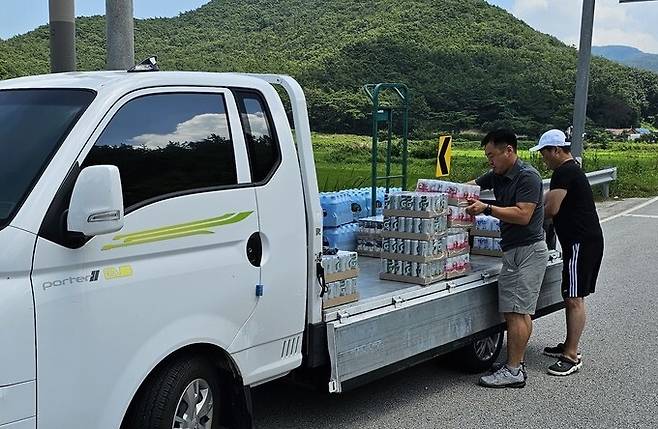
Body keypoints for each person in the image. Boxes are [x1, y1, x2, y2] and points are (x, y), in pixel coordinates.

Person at [466, 129, 548, 388]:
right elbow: (473, 185)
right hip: (513, 249)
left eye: (492, 155)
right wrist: (437, 191)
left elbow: (523, 215)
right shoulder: (498, 174)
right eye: (487, 156)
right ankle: (516, 362)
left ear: (508, 151)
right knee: (519, 312)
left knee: (515, 312)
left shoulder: (528, 177)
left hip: (527, 251)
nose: (490, 160)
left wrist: (486, 208)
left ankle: (513, 371)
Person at [530, 129, 604, 376]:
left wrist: (524, 214)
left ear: (556, 150)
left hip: (579, 242)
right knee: (572, 295)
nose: (543, 159)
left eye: (544, 154)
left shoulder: (564, 171)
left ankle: (571, 355)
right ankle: (569, 344)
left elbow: (551, 208)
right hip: (583, 240)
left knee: (574, 298)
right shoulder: (571, 170)